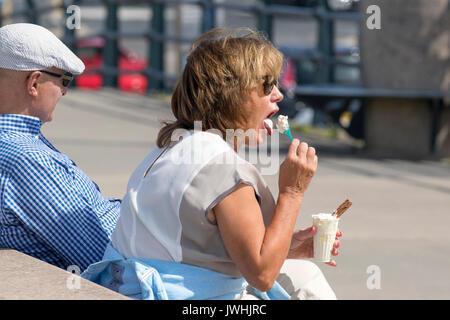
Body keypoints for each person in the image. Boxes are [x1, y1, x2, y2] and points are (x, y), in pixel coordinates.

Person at [82, 27, 341, 300]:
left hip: (130, 287)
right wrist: (292, 193)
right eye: (267, 85)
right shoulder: (224, 170)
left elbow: (190, 249)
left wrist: (287, 247)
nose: (278, 94)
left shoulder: (171, 147)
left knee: (305, 276)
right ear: (233, 94)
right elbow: (262, 275)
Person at [0, 23, 121, 271]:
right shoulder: (29, 161)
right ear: (33, 83)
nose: (65, 91)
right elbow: (106, 261)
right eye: (64, 79)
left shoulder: (21, 147)